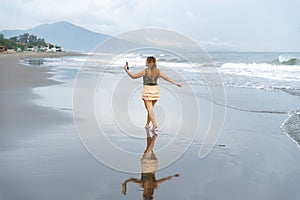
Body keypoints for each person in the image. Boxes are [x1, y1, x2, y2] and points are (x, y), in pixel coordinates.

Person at [124, 56, 182, 130]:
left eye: (146, 61)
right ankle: (147, 124)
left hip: (147, 90)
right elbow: (166, 78)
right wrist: (175, 83)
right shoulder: (157, 71)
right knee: (150, 109)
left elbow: (133, 76)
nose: (145, 62)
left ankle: (155, 124)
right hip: (155, 90)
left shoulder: (145, 71)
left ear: (148, 62)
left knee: (149, 109)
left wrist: (126, 70)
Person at [121, 129, 180, 199]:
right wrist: (125, 183)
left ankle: (148, 132)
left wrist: (173, 176)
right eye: (144, 194)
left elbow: (164, 180)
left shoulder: (152, 185)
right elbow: (132, 179)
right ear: (146, 194)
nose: (143, 193)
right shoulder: (146, 185)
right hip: (146, 165)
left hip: (153, 166)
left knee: (148, 148)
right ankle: (155, 136)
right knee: (148, 150)